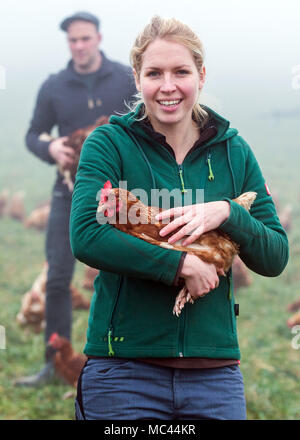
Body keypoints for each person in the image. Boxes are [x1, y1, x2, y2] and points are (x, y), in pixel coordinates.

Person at [70, 16, 289, 419]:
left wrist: (227, 212)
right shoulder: (109, 143)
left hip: (214, 375)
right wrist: (180, 265)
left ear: (201, 75)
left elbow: (275, 257)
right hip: (123, 372)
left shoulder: (233, 151)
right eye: (154, 73)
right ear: (137, 79)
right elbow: (86, 234)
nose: (167, 86)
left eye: (181, 72)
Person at [15, 11, 136, 387]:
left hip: (122, 196)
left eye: (85, 38)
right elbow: (33, 133)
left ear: (98, 38)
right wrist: (51, 147)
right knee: (57, 280)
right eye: (73, 40)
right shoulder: (54, 86)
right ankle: (55, 364)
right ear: (68, 43)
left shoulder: (123, 79)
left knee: (127, 274)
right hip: (68, 194)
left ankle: (128, 364)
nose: (79, 45)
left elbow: (146, 125)